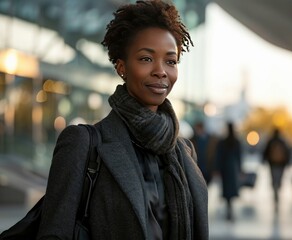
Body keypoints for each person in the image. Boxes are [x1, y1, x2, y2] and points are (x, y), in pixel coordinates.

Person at [36, 1, 208, 239]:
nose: (161, 71)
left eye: (171, 61)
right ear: (121, 67)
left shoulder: (184, 152)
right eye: (146, 59)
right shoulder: (82, 144)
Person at [215, 122, 242, 221]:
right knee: (232, 189)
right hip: (233, 168)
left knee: (226, 189)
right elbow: (239, 157)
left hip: (224, 168)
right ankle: (230, 209)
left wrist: (217, 168)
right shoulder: (236, 142)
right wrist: (240, 169)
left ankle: (228, 208)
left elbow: (219, 156)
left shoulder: (222, 142)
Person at [262, 128, 290, 205]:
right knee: (279, 177)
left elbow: (265, 151)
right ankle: (277, 189)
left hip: (273, 163)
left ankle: (275, 191)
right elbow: (287, 152)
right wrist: (287, 162)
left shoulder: (271, 141)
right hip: (281, 164)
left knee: (274, 178)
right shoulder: (282, 141)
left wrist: (264, 160)